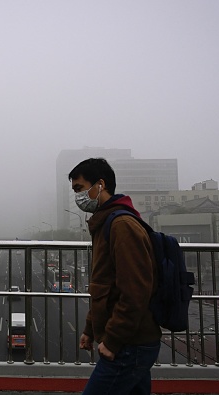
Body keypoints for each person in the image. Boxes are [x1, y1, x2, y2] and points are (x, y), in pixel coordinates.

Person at [69, 158, 161, 395]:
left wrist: (112, 341)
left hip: (130, 345)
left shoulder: (121, 225)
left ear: (100, 184)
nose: (78, 197)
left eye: (80, 188)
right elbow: (104, 285)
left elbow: (135, 291)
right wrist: (91, 328)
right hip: (130, 342)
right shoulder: (105, 223)